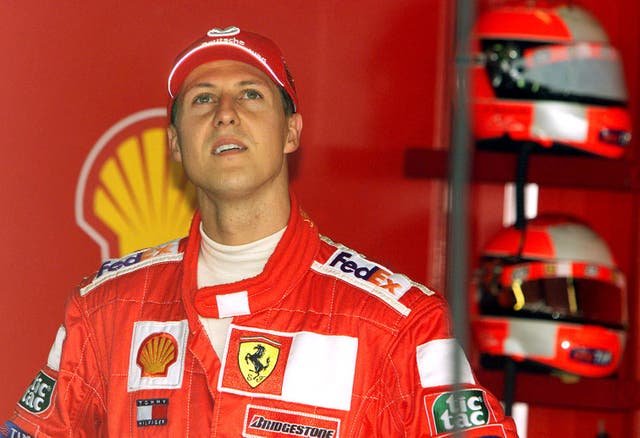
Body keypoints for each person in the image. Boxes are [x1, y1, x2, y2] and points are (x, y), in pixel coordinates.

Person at [3, 26, 518, 437]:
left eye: (251, 95)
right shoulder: (105, 310)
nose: (226, 114)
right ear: (176, 144)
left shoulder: (398, 325)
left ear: (291, 131)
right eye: (202, 100)